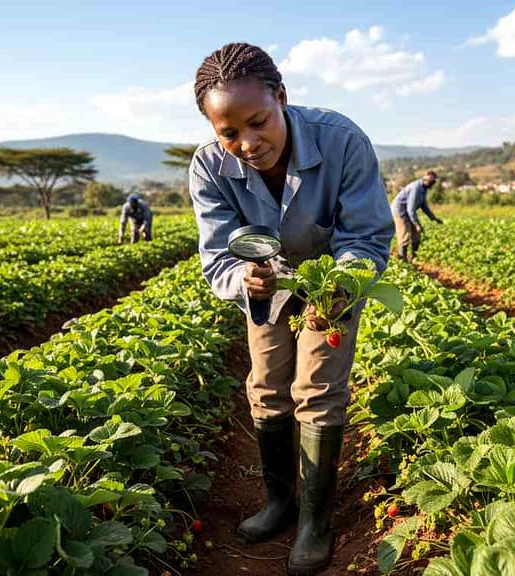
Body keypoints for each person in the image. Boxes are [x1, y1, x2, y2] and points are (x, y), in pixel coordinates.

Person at [188, 43, 393, 575]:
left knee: (319, 388)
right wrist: (245, 278)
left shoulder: (342, 140)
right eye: (228, 133)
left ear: (281, 97)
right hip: (267, 285)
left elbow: (367, 237)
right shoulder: (209, 168)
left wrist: (338, 287)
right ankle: (279, 502)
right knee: (267, 385)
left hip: (332, 279)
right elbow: (217, 258)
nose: (247, 144)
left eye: (258, 123)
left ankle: (314, 521)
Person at [391, 170, 444, 262]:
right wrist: (416, 224)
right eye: (432, 182)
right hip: (400, 211)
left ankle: (413, 257)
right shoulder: (416, 188)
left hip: (408, 211)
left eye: (433, 182)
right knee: (405, 234)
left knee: (417, 234)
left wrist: (434, 219)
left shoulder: (424, 189)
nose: (433, 184)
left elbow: (424, 207)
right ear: (426, 180)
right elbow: (410, 209)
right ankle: (402, 260)